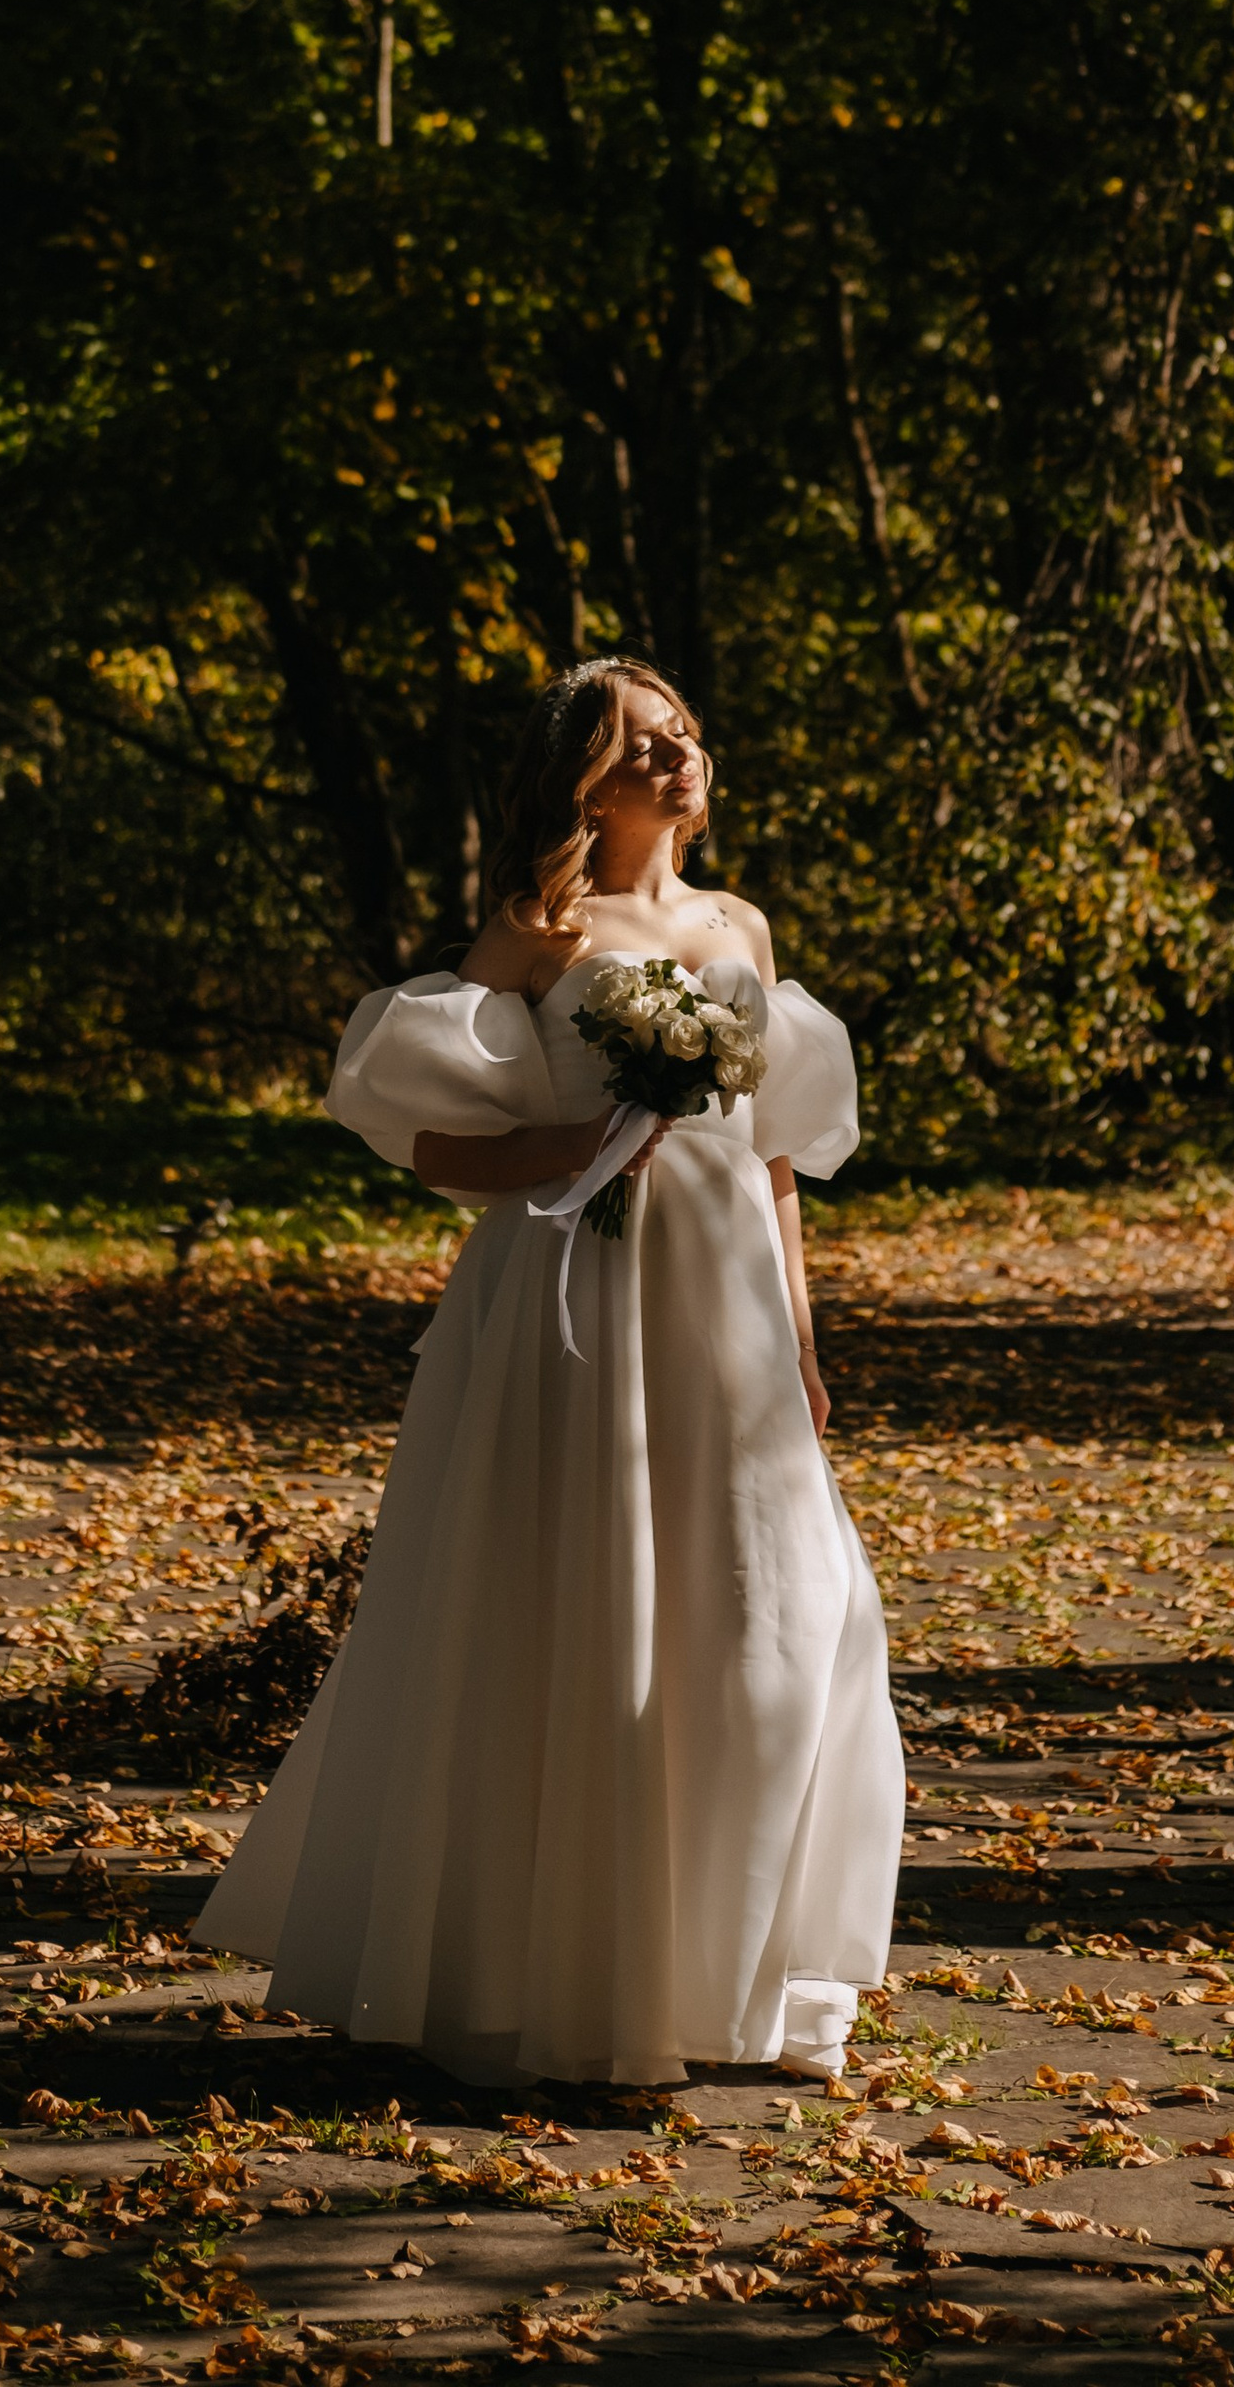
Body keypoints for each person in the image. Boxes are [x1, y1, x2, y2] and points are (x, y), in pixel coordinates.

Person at [191, 655, 904, 2087]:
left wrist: (803, 1338)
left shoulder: (740, 927)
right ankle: (562, 1980)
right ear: (586, 780)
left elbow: (773, 1156)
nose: (677, 758)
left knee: (779, 1617)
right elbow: (431, 1140)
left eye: (683, 734)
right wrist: (570, 1145)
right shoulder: (537, 930)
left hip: (729, 1311)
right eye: (641, 744)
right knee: (579, 1610)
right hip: (577, 1297)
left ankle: (739, 1978)